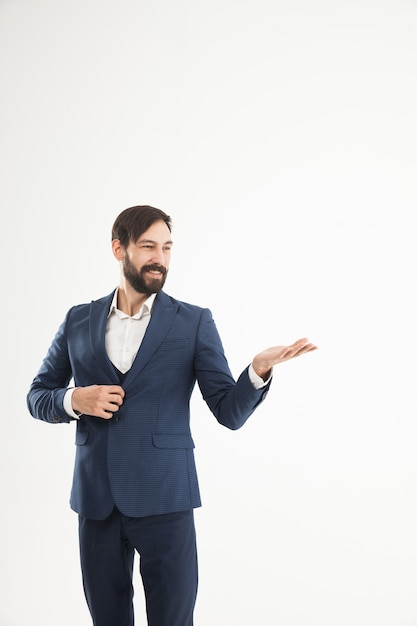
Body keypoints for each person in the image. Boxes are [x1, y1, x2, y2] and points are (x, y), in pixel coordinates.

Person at [27, 205, 317, 626]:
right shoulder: (78, 319)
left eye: (166, 247)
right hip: (97, 502)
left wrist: (257, 371)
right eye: (148, 247)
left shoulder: (194, 322)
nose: (159, 258)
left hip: (166, 499)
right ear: (118, 249)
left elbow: (228, 412)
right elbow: (37, 395)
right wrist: (75, 400)